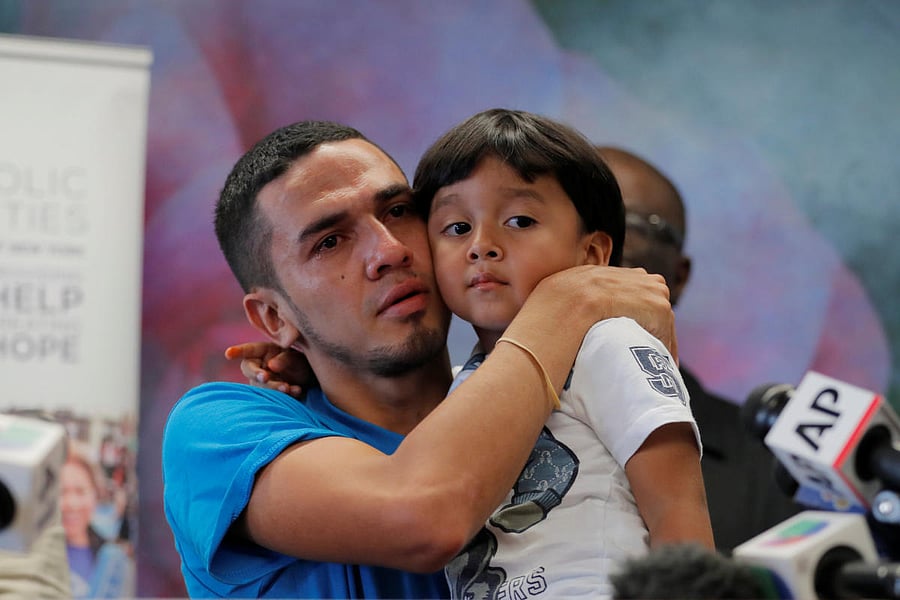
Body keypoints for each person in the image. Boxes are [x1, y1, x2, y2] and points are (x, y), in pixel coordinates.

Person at [162, 119, 680, 598]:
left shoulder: (562, 402)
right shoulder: (216, 431)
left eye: (398, 211)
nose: (389, 250)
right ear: (274, 319)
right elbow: (425, 515)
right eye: (331, 241)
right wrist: (568, 300)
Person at [412, 109, 713, 599]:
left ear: (592, 254)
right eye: (456, 227)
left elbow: (680, 512)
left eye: (520, 220)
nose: (482, 246)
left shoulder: (611, 344)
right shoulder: (460, 385)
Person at [597, 146, 801, 552]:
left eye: (631, 222)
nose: (598, 241)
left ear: (679, 275)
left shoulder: (770, 465)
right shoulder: (478, 426)